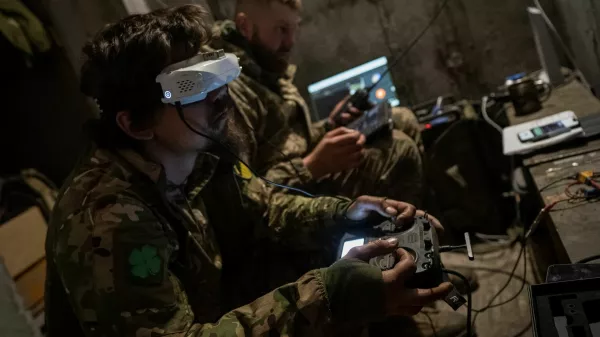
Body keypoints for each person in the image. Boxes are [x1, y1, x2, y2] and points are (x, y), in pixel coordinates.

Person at [44, 5, 454, 336]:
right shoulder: (108, 219)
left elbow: (264, 204)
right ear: (135, 123)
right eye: (190, 85)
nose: (219, 94)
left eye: (214, 72)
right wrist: (329, 296)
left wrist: (342, 213)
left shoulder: (200, 148)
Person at [208, 0, 425, 206]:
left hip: (303, 175)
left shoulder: (266, 66)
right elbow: (243, 200)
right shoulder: (228, 91)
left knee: (400, 118)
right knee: (398, 147)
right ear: (245, 26)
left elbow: (286, 141)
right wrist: (312, 166)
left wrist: (329, 126)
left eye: (295, 29)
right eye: (281, 29)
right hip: (285, 203)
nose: (291, 42)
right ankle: (404, 235)